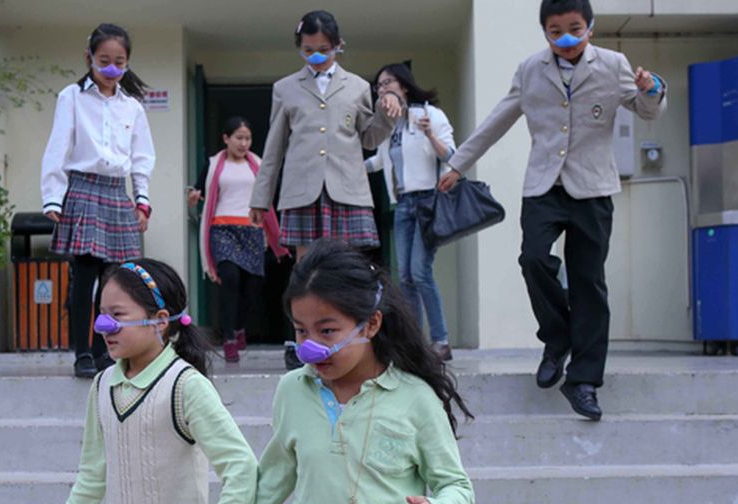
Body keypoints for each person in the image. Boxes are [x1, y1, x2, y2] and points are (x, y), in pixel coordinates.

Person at [170, 239, 475, 504]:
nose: (310, 347)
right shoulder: (293, 391)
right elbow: (270, 483)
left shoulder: (415, 398)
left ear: (371, 325)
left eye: (327, 331)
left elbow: (456, 488)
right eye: (301, 331)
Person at [439, 0, 667, 421]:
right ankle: (558, 337)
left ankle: (584, 381)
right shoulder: (530, 70)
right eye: (555, 31)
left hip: (593, 188)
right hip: (544, 187)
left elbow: (647, 110)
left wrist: (651, 87)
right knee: (533, 260)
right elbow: (498, 119)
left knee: (588, 281)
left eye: (574, 29)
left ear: (590, 28)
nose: (565, 39)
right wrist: (458, 164)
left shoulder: (613, 64)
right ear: (544, 31)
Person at [33, 259, 258, 504]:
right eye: (102, 314)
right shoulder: (102, 385)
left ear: (160, 321)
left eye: (118, 315)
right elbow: (93, 471)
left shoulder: (186, 385)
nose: (103, 326)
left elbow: (241, 466)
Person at [247, 10, 404, 369]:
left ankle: (354, 336)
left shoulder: (357, 87)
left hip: (346, 189)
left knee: (348, 269)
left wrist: (387, 113)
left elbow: (370, 138)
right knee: (305, 272)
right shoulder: (285, 88)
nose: (316, 56)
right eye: (308, 50)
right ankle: (299, 339)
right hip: (302, 190)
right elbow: (274, 148)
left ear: (338, 45)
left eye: (323, 49)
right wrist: (260, 199)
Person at [41, 23, 157, 378]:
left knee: (114, 281)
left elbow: (142, 157)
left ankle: (102, 350)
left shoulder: (133, 106)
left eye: (119, 62)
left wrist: (142, 200)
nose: (111, 69)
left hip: (116, 193)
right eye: (104, 60)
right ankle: (81, 354)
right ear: (88, 57)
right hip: (82, 189)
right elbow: (58, 146)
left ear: (128, 62)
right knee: (84, 275)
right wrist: (53, 198)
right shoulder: (71, 97)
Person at [365, 63, 457, 362]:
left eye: (388, 83)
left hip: (428, 202)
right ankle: (414, 342)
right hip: (402, 204)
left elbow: (452, 155)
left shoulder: (430, 115)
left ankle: (441, 341)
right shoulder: (388, 124)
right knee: (404, 276)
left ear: (403, 86)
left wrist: (430, 134)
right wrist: (345, 166)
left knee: (420, 272)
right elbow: (378, 162)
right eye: (379, 86)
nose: (383, 89)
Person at [188, 116, 289, 363]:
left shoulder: (258, 164)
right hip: (222, 229)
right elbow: (199, 190)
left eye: (247, 138)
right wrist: (194, 196)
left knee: (251, 286)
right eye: (239, 138)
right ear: (226, 139)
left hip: (252, 230)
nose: (244, 143)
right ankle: (229, 338)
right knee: (230, 278)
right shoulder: (213, 165)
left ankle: (240, 327)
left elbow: (269, 194)